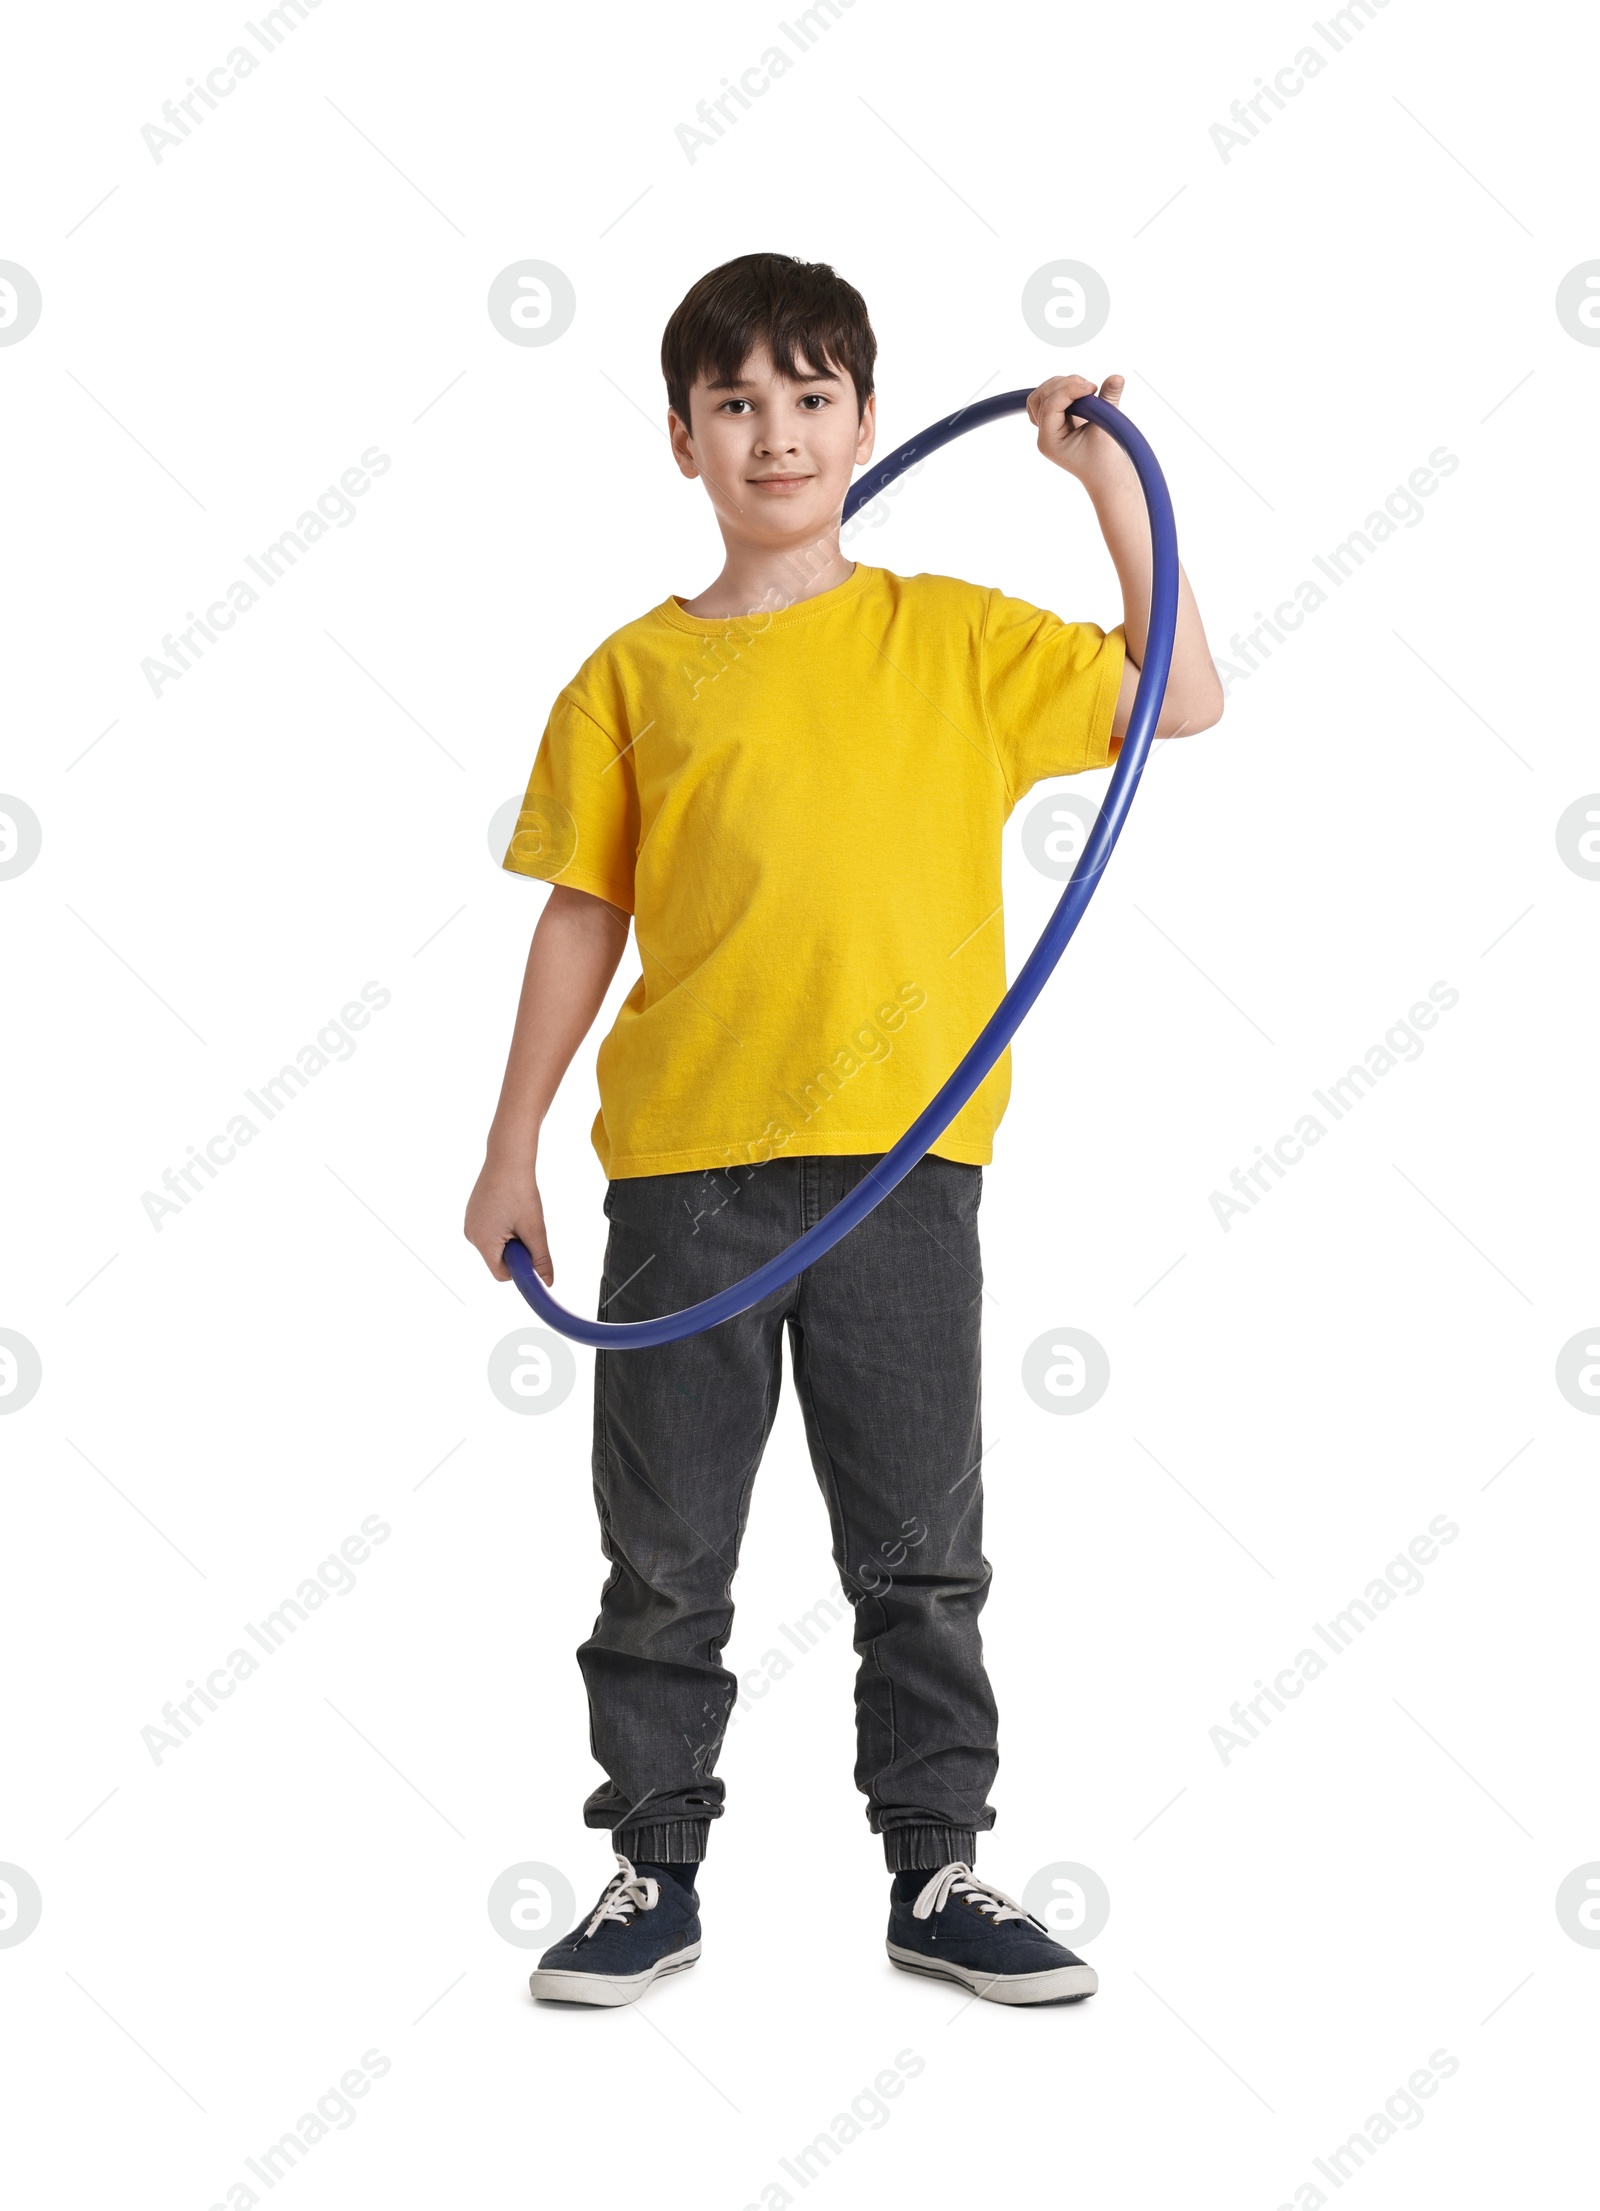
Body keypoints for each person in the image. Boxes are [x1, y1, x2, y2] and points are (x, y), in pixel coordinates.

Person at [465, 252, 1223, 2007]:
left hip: (901, 1171)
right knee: (662, 1556)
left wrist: (1105, 481)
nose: (778, 433)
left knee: (918, 1547)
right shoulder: (631, 678)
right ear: (682, 442)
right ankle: (650, 1870)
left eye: (812, 398)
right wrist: (509, 1148)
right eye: (736, 403)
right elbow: (579, 911)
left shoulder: (949, 637)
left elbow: (1176, 695)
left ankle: (937, 1873)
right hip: (680, 1177)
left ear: (868, 423)